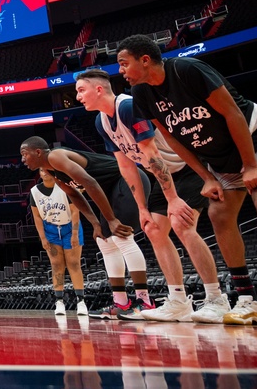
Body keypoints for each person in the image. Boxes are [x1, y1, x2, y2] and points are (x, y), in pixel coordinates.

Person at [117, 33, 257, 325]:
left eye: (124, 64)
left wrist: (251, 164)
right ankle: (247, 300)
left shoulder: (187, 70)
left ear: (145, 60)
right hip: (220, 157)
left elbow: (233, 112)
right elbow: (175, 139)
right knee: (220, 215)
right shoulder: (142, 94)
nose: (121, 72)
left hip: (254, 137)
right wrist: (206, 176)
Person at [75, 68, 230, 323]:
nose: (78, 97)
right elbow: (127, 167)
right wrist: (142, 209)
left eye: (81, 90)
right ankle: (178, 301)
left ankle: (216, 298)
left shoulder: (127, 107)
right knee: (154, 230)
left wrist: (172, 199)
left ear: (99, 89)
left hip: (189, 167)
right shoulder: (102, 121)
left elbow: (153, 156)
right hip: (164, 176)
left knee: (182, 225)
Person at [20, 136, 155, 320]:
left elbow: (90, 182)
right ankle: (121, 303)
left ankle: (145, 302)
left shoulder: (56, 157)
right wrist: (96, 224)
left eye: (24, 154)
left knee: (121, 237)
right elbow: (75, 196)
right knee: (105, 241)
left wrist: (112, 220)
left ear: (37, 152)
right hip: (111, 191)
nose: (22, 160)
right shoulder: (52, 171)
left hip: (129, 179)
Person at [30, 168, 88, 316]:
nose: (44, 172)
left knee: (74, 263)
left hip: (69, 226)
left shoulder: (63, 186)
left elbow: (75, 210)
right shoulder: (34, 191)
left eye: (47, 169)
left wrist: (75, 233)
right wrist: (42, 237)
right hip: (50, 229)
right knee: (56, 265)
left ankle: (81, 301)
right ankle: (59, 301)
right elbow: (37, 217)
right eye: (41, 169)